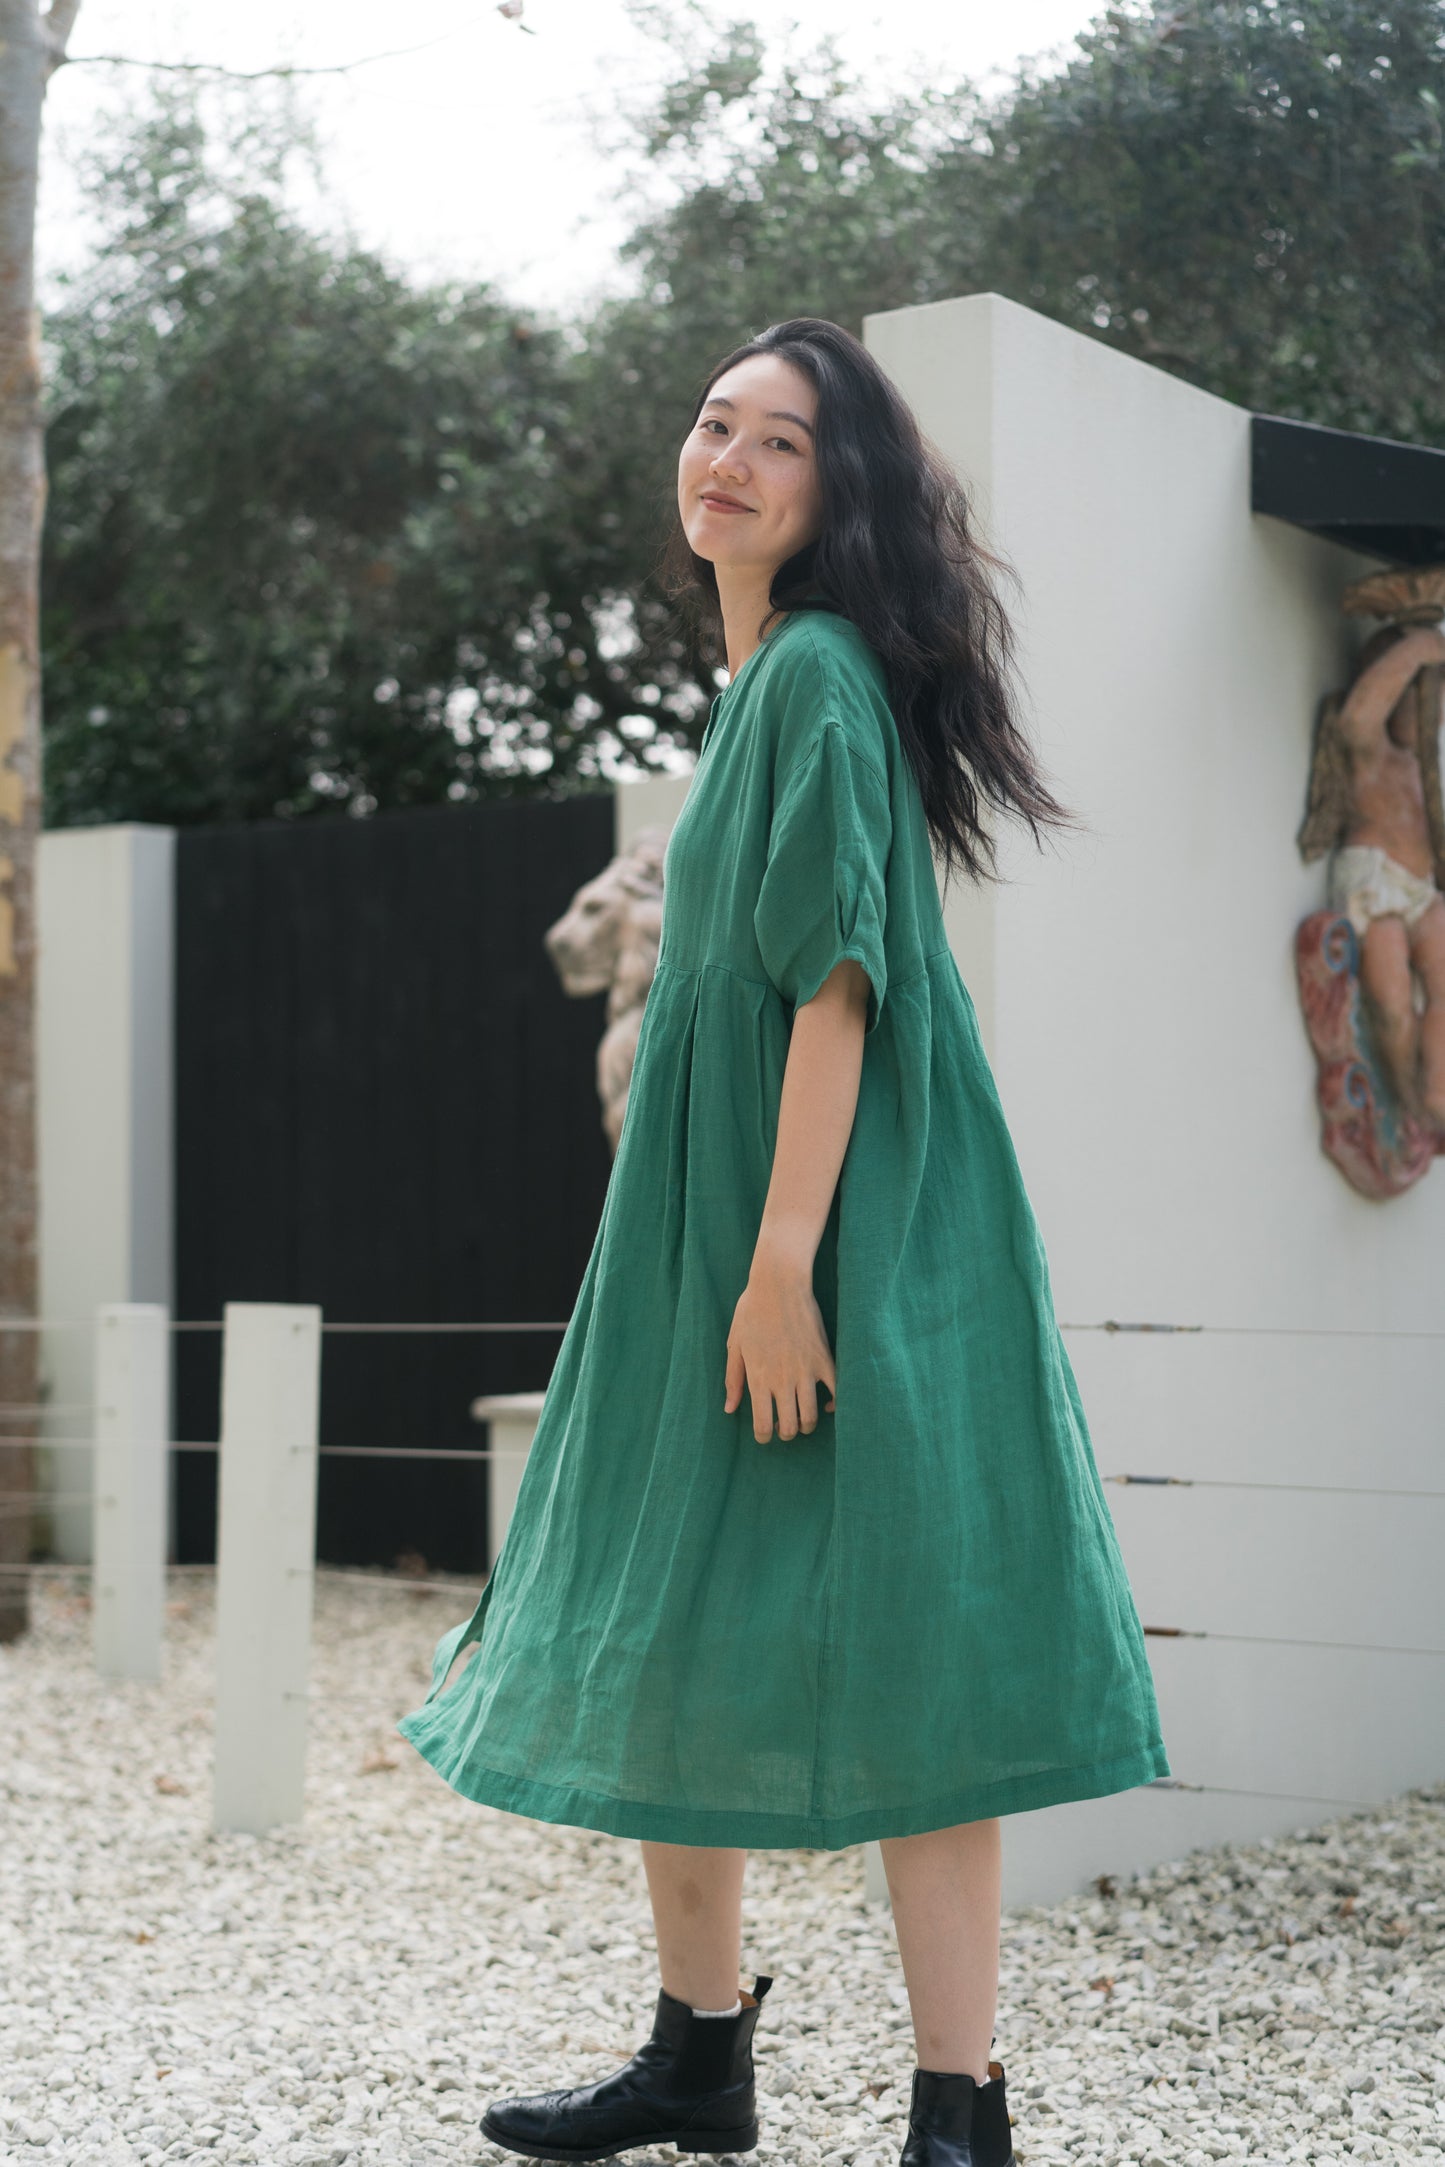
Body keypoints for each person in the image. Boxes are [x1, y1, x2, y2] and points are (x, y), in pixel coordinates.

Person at [396, 317, 1169, 2167]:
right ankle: (698, 2056)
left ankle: (959, 2105)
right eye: (710, 423)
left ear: (841, 497)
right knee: (672, 1616)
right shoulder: (759, 694)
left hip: (830, 1226)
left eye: (781, 442)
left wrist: (776, 1264)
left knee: (923, 1624)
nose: (725, 458)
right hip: (727, 1222)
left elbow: (836, 987)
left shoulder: (816, 675)